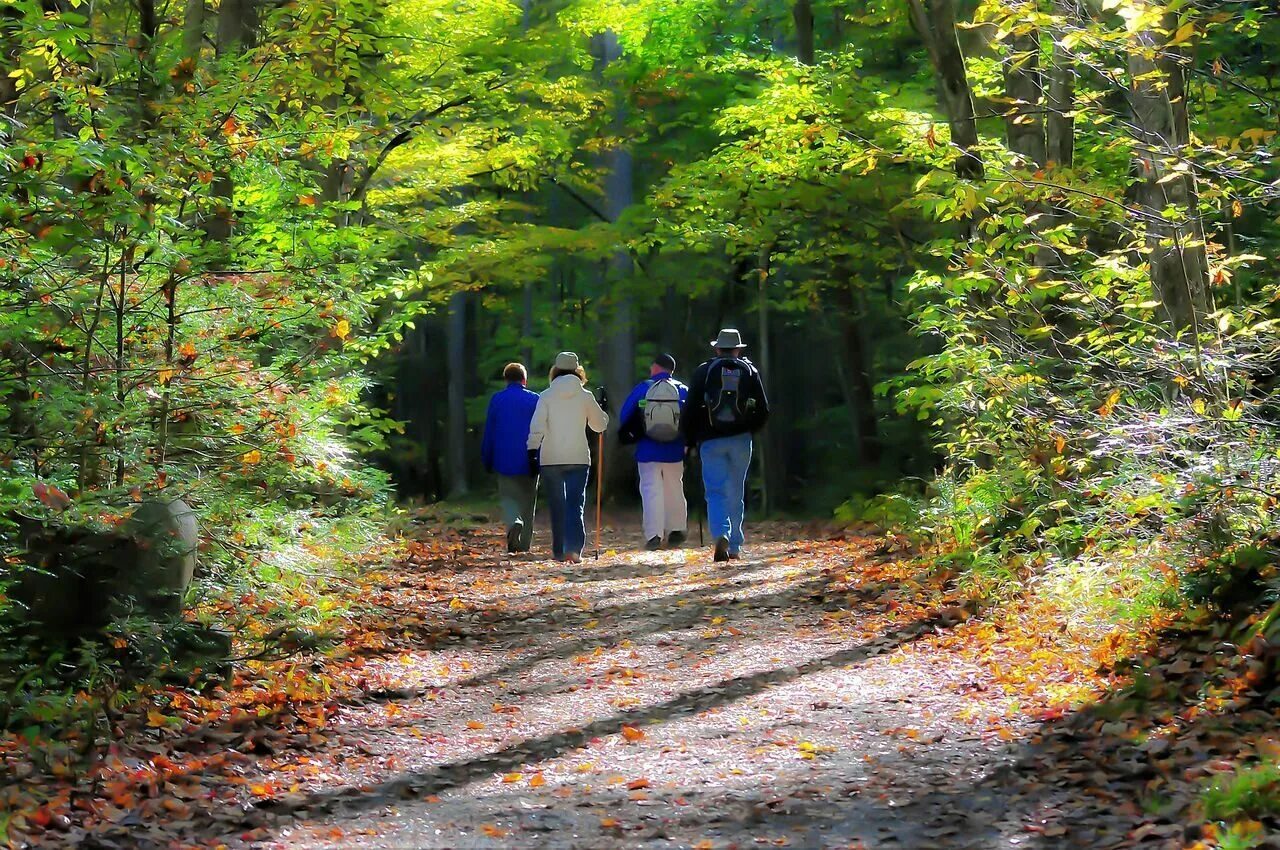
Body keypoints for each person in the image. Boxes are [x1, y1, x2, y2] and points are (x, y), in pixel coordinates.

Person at [682, 328, 770, 562]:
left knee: (715, 491)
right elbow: (763, 409)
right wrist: (750, 429)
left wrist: (689, 441)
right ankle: (734, 547)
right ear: (738, 349)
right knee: (736, 491)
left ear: (717, 349)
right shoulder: (750, 371)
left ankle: (721, 532)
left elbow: (689, 410)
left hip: (711, 440)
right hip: (741, 440)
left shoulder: (703, 372)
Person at [527, 352, 609, 563]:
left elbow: (537, 426)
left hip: (551, 458)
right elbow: (599, 426)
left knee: (557, 505)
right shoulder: (586, 396)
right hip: (578, 457)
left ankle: (558, 551)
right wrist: (603, 411)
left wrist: (532, 450)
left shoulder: (545, 395)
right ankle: (573, 549)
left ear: (555, 370)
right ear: (578, 371)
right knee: (575, 504)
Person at [619, 353, 689, 550]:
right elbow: (692, 418)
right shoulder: (682, 390)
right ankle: (676, 529)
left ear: (656, 368)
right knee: (675, 487)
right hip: (675, 449)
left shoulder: (643, 388)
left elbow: (625, 416)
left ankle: (654, 535)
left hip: (647, 450)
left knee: (651, 491)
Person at [480, 362, 541, 553]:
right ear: (524, 379)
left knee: (508, 497)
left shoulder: (497, 400)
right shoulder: (535, 400)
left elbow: (489, 431)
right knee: (528, 501)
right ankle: (524, 545)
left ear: (506, 379)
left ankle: (514, 521)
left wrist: (487, 457)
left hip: (503, 458)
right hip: (530, 458)